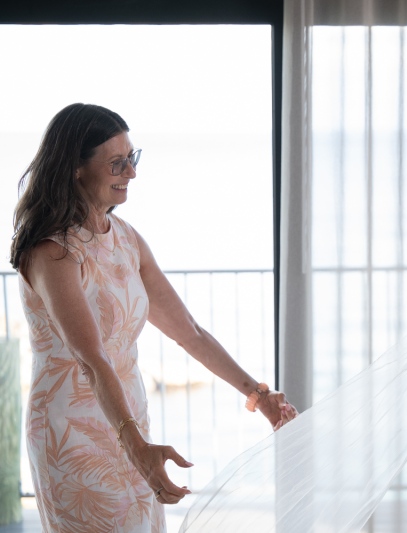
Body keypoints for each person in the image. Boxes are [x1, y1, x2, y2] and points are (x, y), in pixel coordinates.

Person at [9, 103, 298, 532]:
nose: (131, 172)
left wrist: (259, 394)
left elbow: (190, 332)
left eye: (132, 158)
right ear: (75, 168)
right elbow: (92, 359)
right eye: (116, 163)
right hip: (72, 436)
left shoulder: (126, 239)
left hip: (130, 422)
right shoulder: (53, 252)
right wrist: (138, 448)